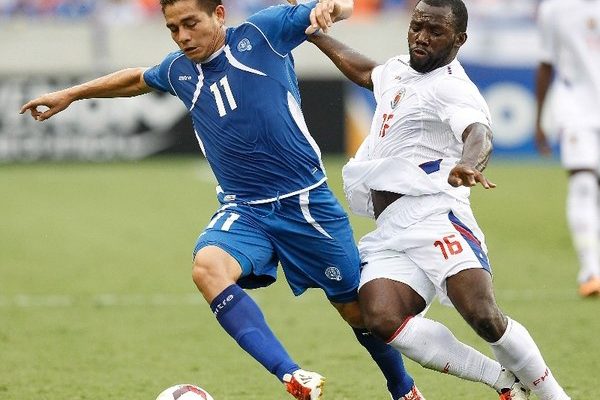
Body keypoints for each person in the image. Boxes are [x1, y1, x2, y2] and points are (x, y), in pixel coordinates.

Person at [19, 1, 423, 399]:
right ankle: (292, 375)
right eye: (173, 28)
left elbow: (343, 6)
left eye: (190, 23)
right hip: (244, 210)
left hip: (306, 205)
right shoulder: (178, 70)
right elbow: (136, 79)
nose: (182, 36)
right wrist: (71, 94)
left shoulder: (263, 33)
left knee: (357, 312)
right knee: (208, 267)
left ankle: (403, 389)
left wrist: (330, 8)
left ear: (218, 14)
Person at [304, 0, 572, 398]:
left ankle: (554, 395)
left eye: (435, 32)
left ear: (459, 39)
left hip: (435, 215)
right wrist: (315, 36)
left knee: (482, 315)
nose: (421, 37)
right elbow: (366, 72)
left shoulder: (452, 86)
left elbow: (478, 131)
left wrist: (469, 163)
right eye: (417, 26)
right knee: (381, 317)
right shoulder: (398, 68)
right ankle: (503, 381)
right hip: (391, 227)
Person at [534, 0, 600, 297]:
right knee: (583, 183)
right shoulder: (554, 8)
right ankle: (590, 271)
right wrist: (539, 119)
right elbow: (546, 63)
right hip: (575, 109)